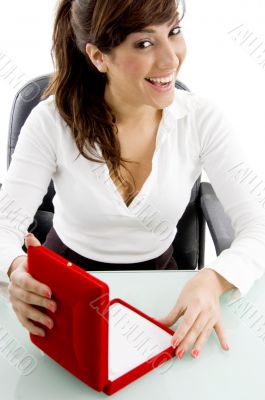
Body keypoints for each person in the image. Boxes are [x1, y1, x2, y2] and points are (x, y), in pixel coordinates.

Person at [1, 0, 265, 362]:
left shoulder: (201, 119)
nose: (171, 59)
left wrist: (214, 279)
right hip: (63, 284)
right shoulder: (51, 121)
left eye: (173, 32)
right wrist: (15, 269)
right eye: (144, 43)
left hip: (159, 280)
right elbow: (4, 224)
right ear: (98, 57)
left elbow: (259, 225)